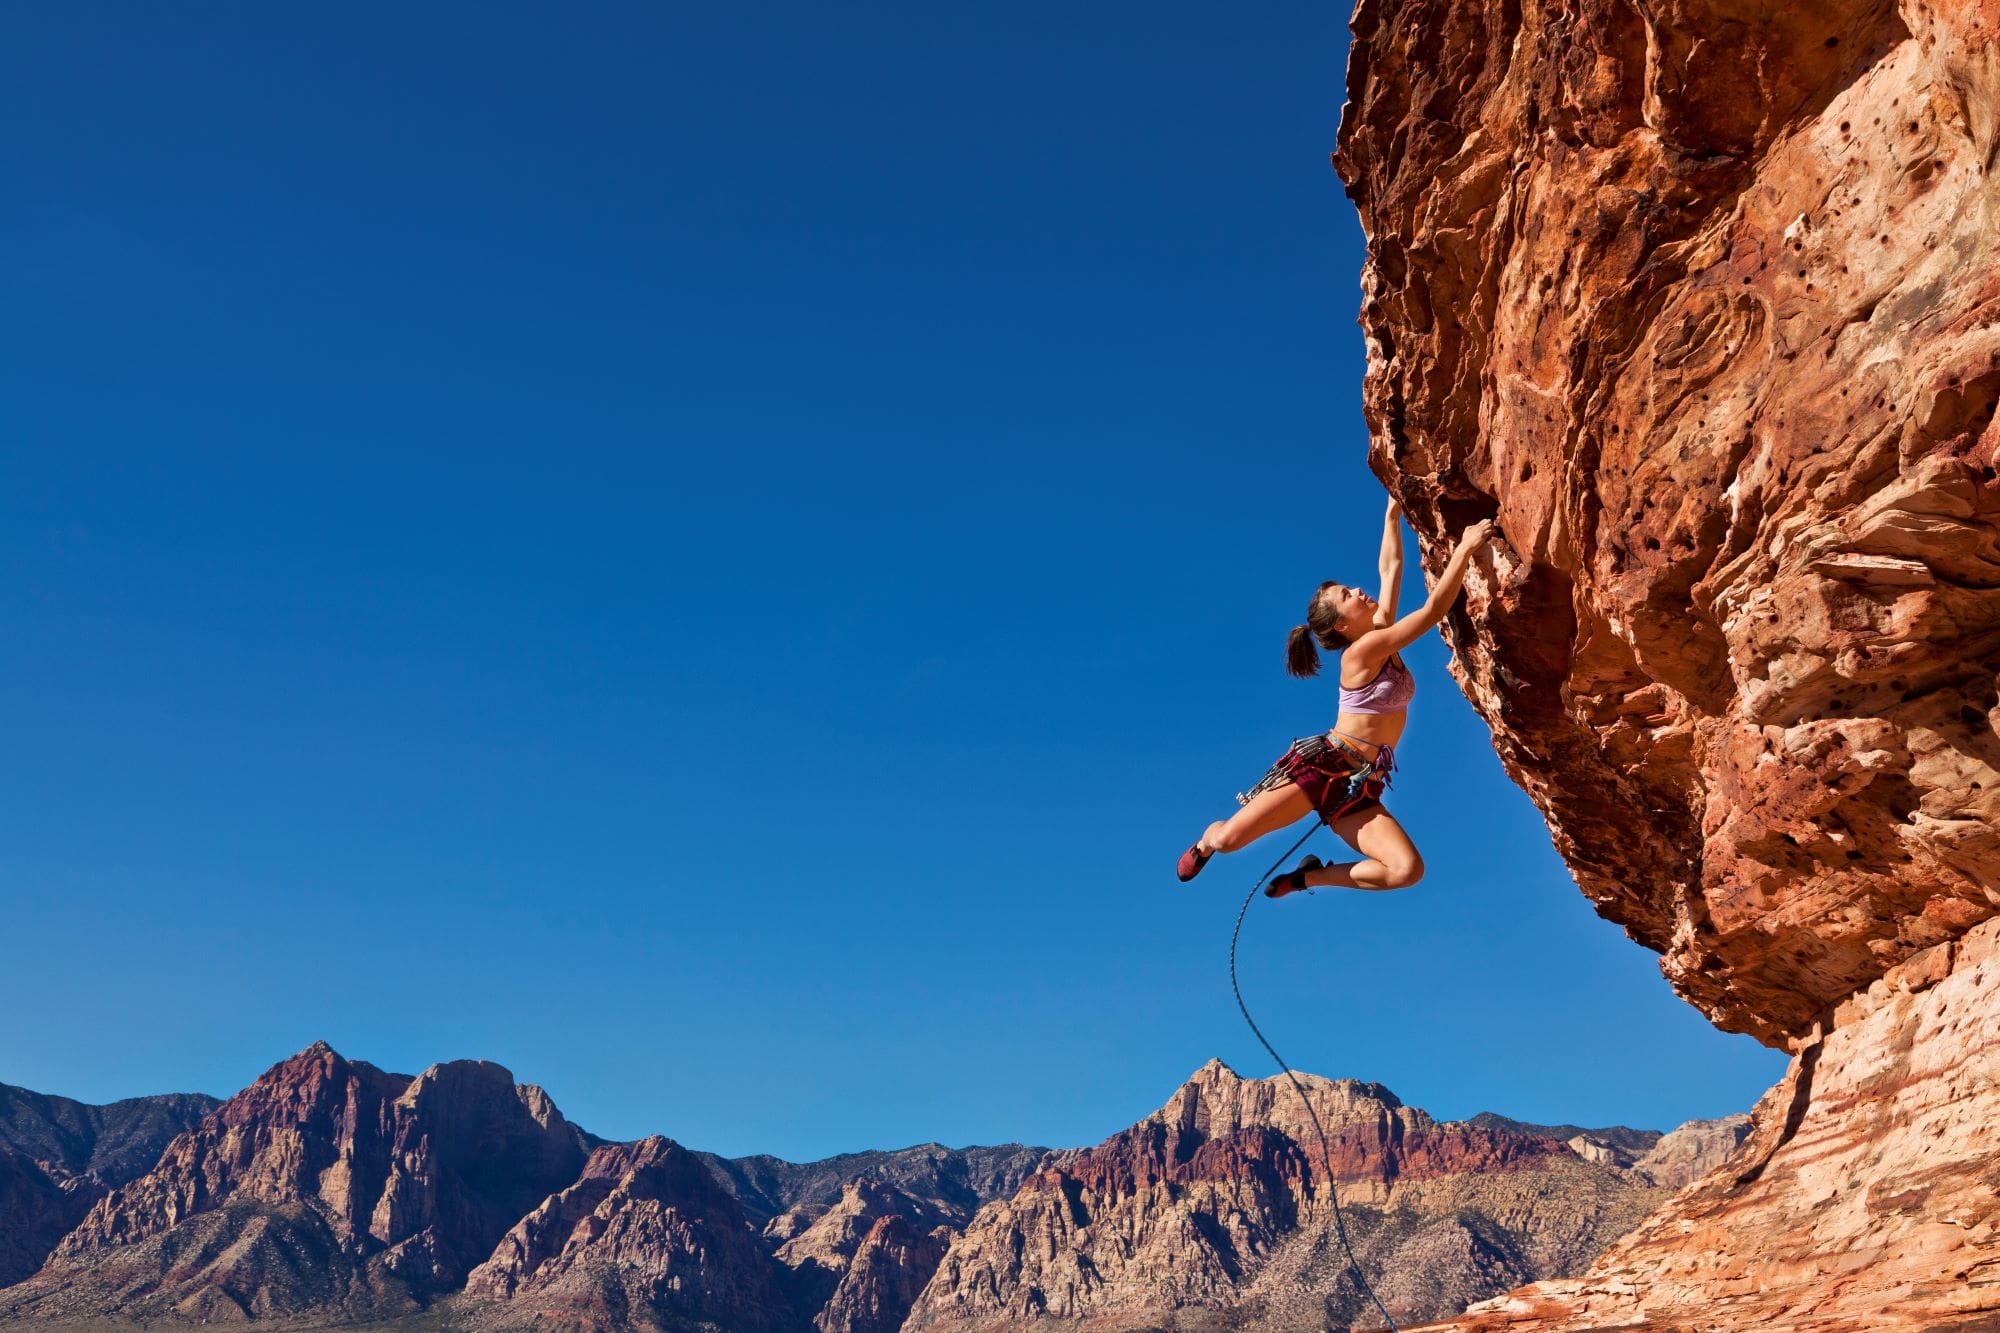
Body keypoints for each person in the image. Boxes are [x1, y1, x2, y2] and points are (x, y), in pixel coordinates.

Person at [1176, 500, 1495, 897]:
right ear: (1343, 623)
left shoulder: (1377, 633)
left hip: (1357, 785)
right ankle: (1205, 843)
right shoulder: (1359, 654)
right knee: (1229, 841)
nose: (1359, 590)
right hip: (1322, 768)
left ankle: (1308, 877)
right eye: (1347, 594)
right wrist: (1464, 548)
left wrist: (1391, 515)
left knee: (1406, 870)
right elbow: (1431, 612)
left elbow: (1391, 568)